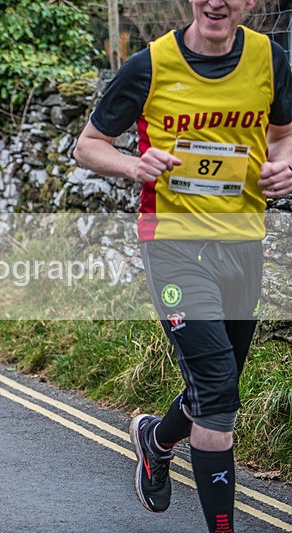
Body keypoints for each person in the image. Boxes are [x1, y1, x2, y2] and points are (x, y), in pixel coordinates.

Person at [74, 1, 292, 531]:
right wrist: (134, 163)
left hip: (242, 245)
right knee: (219, 395)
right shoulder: (150, 64)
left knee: (220, 384)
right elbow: (87, 146)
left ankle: (156, 437)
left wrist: (284, 166)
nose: (216, 1)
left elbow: (283, 135)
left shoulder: (272, 60)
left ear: (252, 3)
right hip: (172, 246)